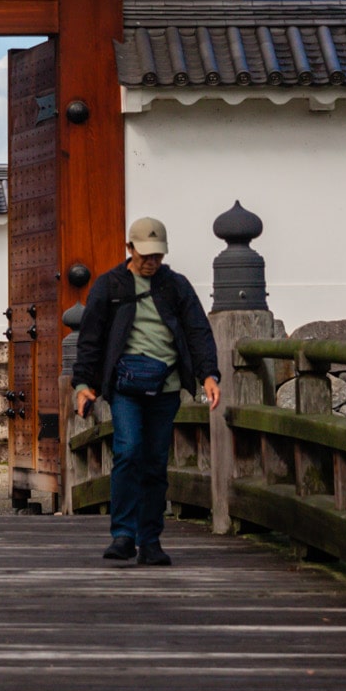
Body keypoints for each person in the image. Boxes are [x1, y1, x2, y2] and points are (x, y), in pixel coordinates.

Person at [71, 216, 220, 566]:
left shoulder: (176, 285)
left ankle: (150, 540)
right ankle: (123, 535)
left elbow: (198, 331)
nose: (151, 262)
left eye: (157, 256)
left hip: (165, 385)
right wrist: (82, 385)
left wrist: (208, 375)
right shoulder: (110, 286)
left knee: (155, 462)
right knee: (128, 450)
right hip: (125, 386)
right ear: (130, 249)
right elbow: (90, 339)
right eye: (145, 255)